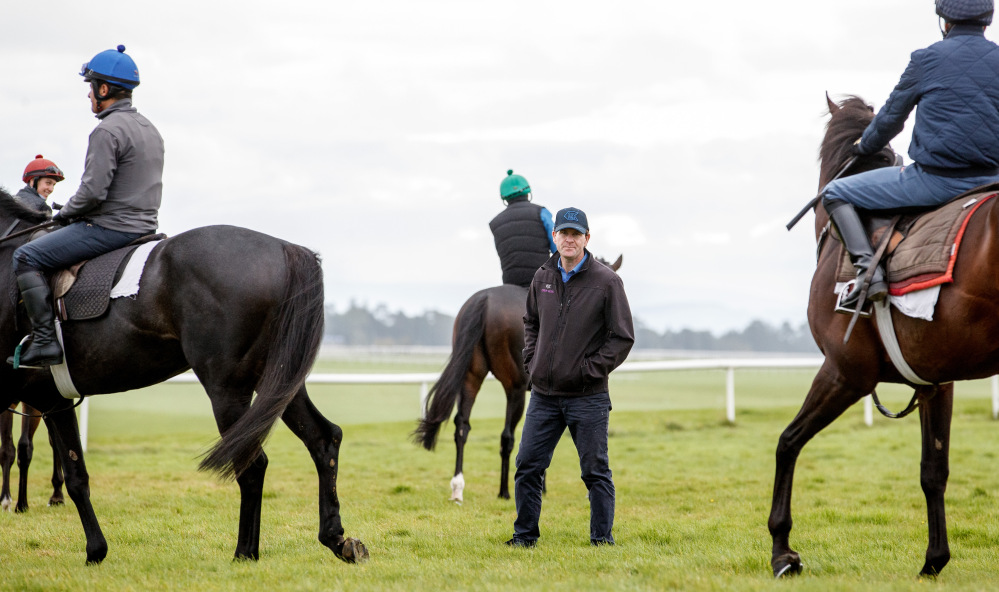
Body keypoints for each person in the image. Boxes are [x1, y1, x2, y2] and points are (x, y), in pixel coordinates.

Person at [821, 0, 999, 312]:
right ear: (987, 21)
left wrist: (864, 146)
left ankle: (868, 275)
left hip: (936, 182)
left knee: (835, 192)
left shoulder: (927, 58)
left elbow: (890, 120)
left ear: (945, 21)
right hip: (993, 181)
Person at [9, 45, 164, 368]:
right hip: (144, 227)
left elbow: (93, 193)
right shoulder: (151, 129)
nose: (89, 96)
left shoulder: (106, 130)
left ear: (103, 89)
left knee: (26, 255)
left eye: (90, 88)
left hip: (110, 228)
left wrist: (66, 213)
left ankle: (44, 341)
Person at [506, 207, 634, 548]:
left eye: (576, 234)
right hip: (544, 396)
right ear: (555, 236)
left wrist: (588, 370)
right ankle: (524, 537)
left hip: (587, 397)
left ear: (586, 239)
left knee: (595, 472)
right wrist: (531, 362)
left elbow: (622, 338)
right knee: (528, 467)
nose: (569, 239)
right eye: (564, 232)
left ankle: (601, 541)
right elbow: (530, 322)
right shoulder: (542, 276)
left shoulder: (607, 281)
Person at [489, 170, 558, 288]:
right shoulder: (541, 213)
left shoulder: (495, 223)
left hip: (511, 283)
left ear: (504, 198)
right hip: (542, 280)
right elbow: (557, 247)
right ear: (528, 192)